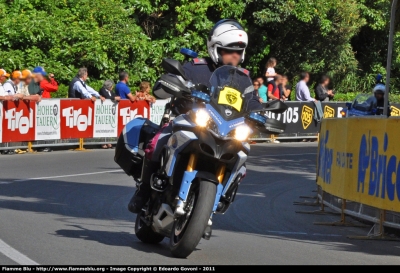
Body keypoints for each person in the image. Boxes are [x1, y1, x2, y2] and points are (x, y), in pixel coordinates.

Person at [128, 20, 260, 240]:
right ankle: (143, 193)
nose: (234, 56)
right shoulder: (196, 67)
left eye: (238, 52)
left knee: (242, 159)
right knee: (157, 142)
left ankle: (213, 205)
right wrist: (176, 85)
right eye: (229, 51)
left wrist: (262, 114)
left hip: (225, 131)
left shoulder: (242, 79)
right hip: (190, 122)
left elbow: (253, 102)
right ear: (215, 49)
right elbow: (171, 80)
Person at [99, 79, 120, 149]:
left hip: (110, 111)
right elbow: (107, 97)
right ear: (109, 86)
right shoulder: (102, 90)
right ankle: (103, 142)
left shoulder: (111, 91)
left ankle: (108, 141)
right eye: (111, 86)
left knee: (108, 126)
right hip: (103, 111)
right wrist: (114, 98)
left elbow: (114, 95)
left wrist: (117, 97)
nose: (112, 87)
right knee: (103, 126)